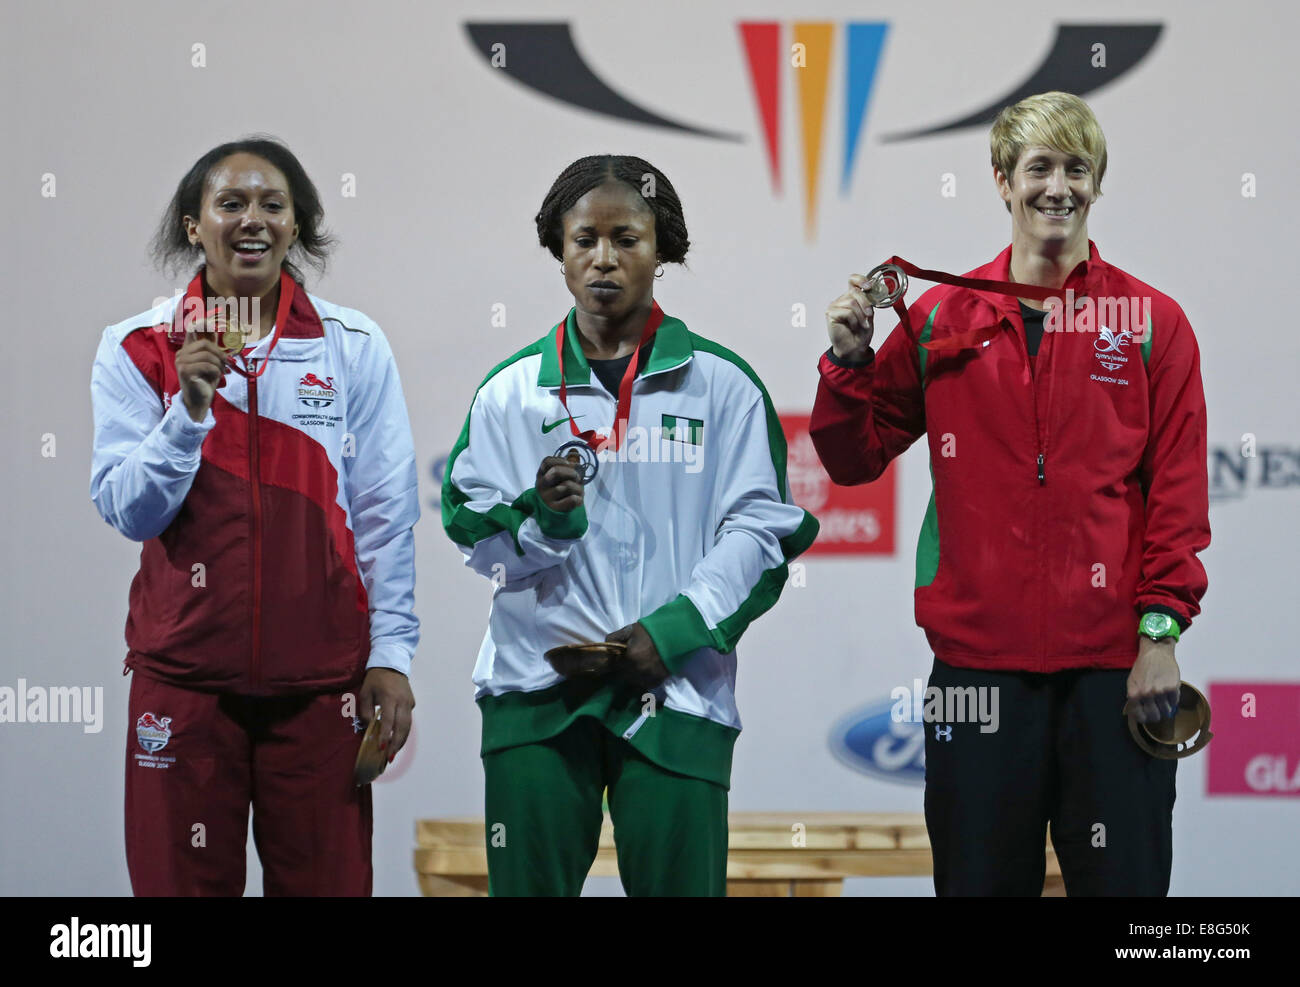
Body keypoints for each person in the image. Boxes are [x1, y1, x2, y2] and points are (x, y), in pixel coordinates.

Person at [811, 92, 1209, 896]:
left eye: (1075, 167)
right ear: (1001, 181)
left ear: (1097, 183)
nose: (1056, 186)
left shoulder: (1149, 323)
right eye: (1037, 167)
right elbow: (853, 460)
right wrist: (849, 362)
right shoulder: (938, 318)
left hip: (1113, 670)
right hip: (974, 673)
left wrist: (1159, 632)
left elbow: (1176, 495)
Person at [442, 154, 818, 896]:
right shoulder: (510, 391)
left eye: (628, 238)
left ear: (663, 248)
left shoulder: (723, 386)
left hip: (676, 691)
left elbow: (759, 532)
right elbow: (474, 534)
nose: (604, 258)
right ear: (558, 249)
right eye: (584, 239)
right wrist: (544, 521)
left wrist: (674, 629)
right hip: (536, 690)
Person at [90, 136, 419, 896]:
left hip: (320, 686)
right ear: (193, 225)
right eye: (230, 203)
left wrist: (392, 656)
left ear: (297, 225)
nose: (253, 219)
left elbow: (384, 513)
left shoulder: (354, 347)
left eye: (273, 204)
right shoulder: (138, 347)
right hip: (185, 681)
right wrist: (188, 410)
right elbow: (130, 510)